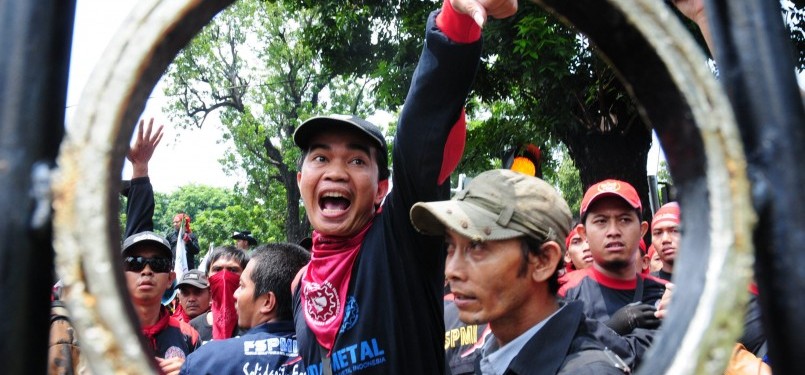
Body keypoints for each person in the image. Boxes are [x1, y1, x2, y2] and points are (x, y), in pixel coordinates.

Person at [291, 1, 517, 373]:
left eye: (356, 161)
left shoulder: (402, 237)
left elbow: (419, 136)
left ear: (382, 189)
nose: (336, 172)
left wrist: (455, 23)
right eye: (320, 158)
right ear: (302, 183)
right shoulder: (301, 286)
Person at [410, 169, 628, 374]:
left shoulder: (588, 370)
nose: (451, 271)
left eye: (476, 246)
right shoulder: (491, 352)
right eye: (450, 247)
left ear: (543, 261)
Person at [180, 243, 310, 375]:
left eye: (241, 286)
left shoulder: (203, 361)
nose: (235, 294)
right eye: (217, 269)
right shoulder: (321, 357)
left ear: (267, 302)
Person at [559, 179, 667, 335]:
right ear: (584, 233)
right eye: (601, 221)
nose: (613, 231)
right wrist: (611, 328)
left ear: (642, 230)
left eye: (624, 220)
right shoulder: (565, 293)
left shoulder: (665, 293)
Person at [122, 231, 200, 375]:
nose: (146, 271)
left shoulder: (189, 336)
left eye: (157, 264)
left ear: (170, 279)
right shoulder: (100, 333)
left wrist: (190, 371)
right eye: (135, 263)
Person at [190, 246, 248, 343]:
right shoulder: (192, 328)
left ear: (245, 275)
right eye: (217, 269)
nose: (224, 275)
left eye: (233, 270)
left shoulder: (255, 326)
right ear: (207, 278)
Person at [649, 202, 680, 281]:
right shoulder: (645, 289)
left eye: (674, 231)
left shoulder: (711, 279)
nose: (665, 239)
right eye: (658, 233)